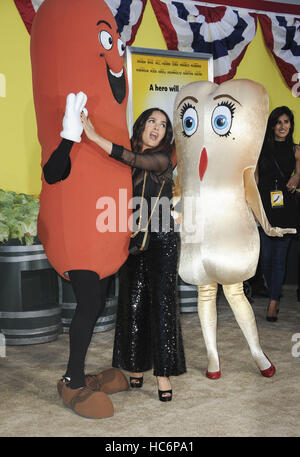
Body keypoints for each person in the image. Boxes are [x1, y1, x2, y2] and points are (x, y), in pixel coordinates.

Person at [81, 108, 186, 401]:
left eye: (163, 125)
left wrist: (93, 136)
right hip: (132, 239)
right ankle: (135, 365)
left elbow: (132, 158)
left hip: (162, 240)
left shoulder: (162, 160)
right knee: (133, 301)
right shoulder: (126, 162)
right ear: (141, 125)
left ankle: (163, 374)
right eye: (152, 121)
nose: (157, 128)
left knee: (161, 304)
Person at [255, 106, 300, 322]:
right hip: (264, 208)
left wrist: (297, 177)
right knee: (265, 257)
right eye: (278, 122)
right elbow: (253, 180)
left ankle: (274, 302)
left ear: (291, 125)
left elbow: (299, 173)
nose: (283, 126)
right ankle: (273, 292)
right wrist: (253, 208)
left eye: (286, 122)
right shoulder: (260, 148)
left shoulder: (296, 150)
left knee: (280, 258)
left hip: (286, 211)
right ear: (272, 125)